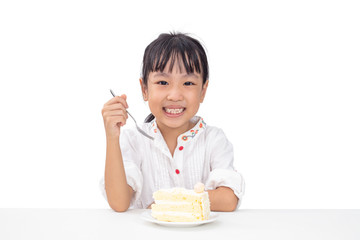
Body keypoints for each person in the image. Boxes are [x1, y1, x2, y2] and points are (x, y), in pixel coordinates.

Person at [100, 32, 244, 212]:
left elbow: (228, 198)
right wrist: (112, 137)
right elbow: (119, 203)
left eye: (188, 83)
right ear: (144, 89)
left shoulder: (213, 139)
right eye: (162, 82)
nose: (175, 95)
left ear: (203, 91)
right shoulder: (134, 140)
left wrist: (167, 202)